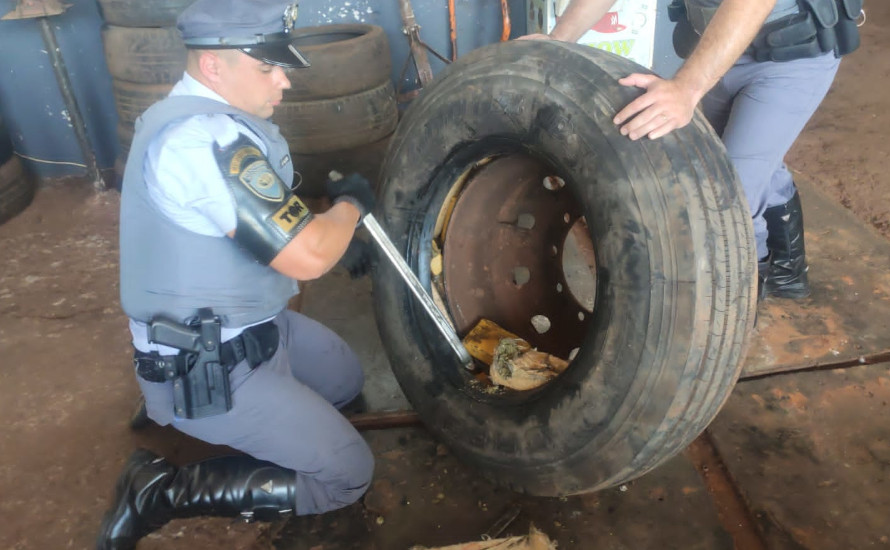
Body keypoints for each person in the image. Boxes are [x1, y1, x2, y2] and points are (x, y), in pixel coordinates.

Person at [96, 1, 377, 548]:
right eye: (268, 68)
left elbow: (259, 226)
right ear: (214, 68)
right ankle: (159, 490)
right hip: (207, 363)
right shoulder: (203, 141)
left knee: (345, 381)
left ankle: (241, 416)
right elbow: (307, 256)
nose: (284, 83)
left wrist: (322, 237)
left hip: (251, 326)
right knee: (348, 474)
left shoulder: (202, 118)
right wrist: (347, 212)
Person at [521, 0, 862, 299]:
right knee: (752, 155)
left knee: (731, 197)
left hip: (793, 55)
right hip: (722, 51)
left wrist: (687, 87)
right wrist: (557, 41)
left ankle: (734, 325)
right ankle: (788, 272)